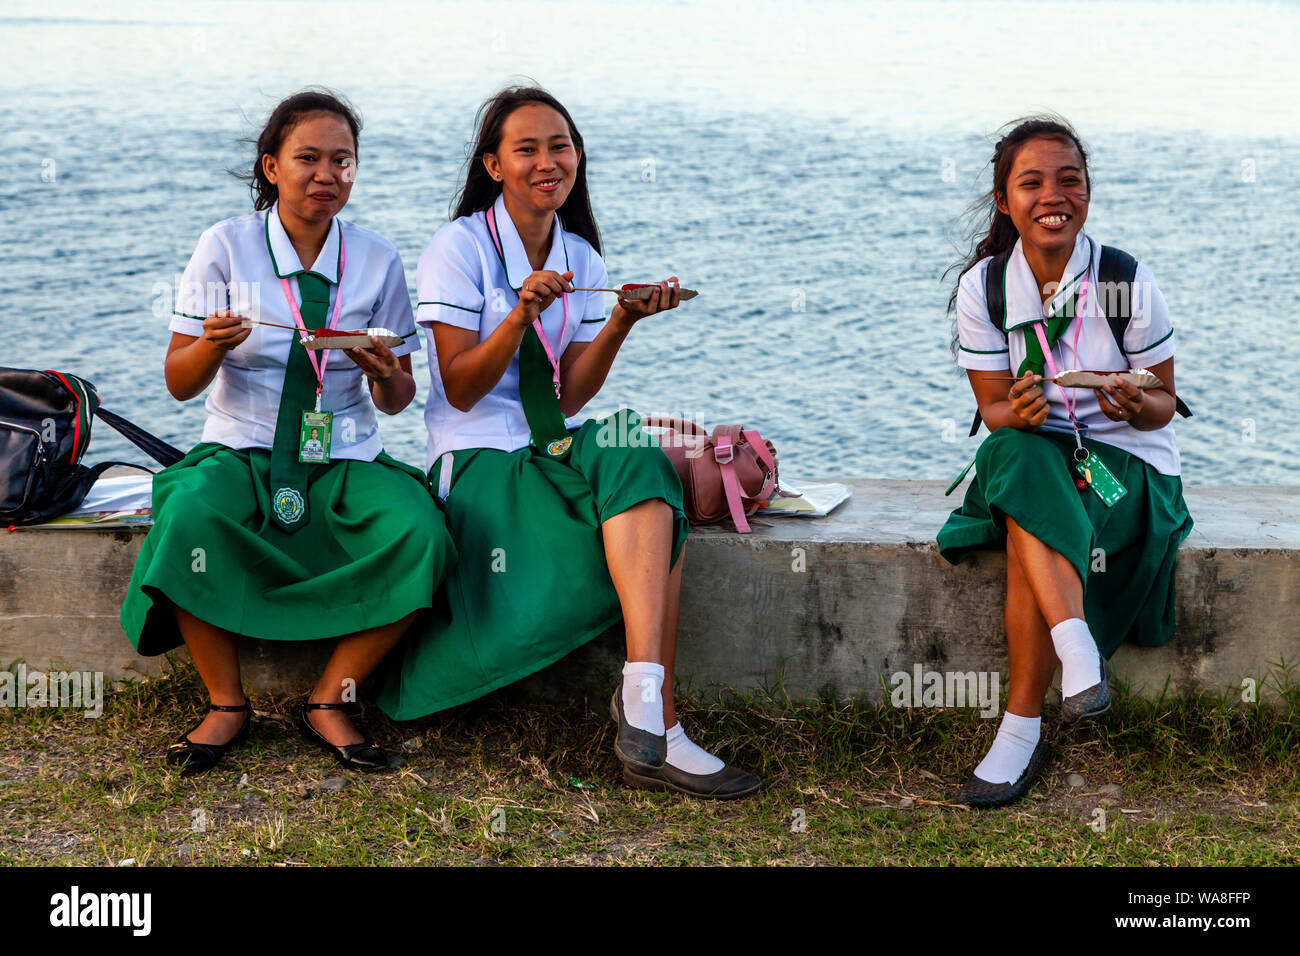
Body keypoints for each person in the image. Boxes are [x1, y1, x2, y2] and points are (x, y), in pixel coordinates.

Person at [375, 86, 760, 800]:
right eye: (527, 149)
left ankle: (643, 698)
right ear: (493, 164)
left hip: (554, 438)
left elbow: (570, 397)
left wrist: (621, 320)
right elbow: (459, 388)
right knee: (650, 515)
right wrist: (520, 314)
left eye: (561, 146)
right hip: (479, 453)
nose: (549, 162)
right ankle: (663, 729)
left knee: (637, 451)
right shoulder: (457, 248)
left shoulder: (580, 252)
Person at [120, 89, 456, 774]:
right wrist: (213, 345)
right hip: (241, 444)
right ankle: (225, 704)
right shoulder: (224, 246)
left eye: (343, 161)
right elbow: (180, 382)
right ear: (271, 166)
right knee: (186, 517)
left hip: (344, 451)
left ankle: (330, 699)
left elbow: (398, 402)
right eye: (308, 158)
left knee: (422, 533)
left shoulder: (377, 259)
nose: (326, 175)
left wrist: (383, 369)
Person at [937, 116, 1193, 807]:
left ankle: (1020, 728)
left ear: (1087, 192)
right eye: (1031, 182)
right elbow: (992, 411)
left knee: (1027, 512)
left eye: (1069, 179)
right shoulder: (985, 289)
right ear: (1004, 200)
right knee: (1018, 450)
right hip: (1038, 456)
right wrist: (1016, 411)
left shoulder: (1123, 279)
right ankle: (1076, 653)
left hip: (1124, 471)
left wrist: (1133, 407)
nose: (1053, 195)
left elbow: (1166, 400)